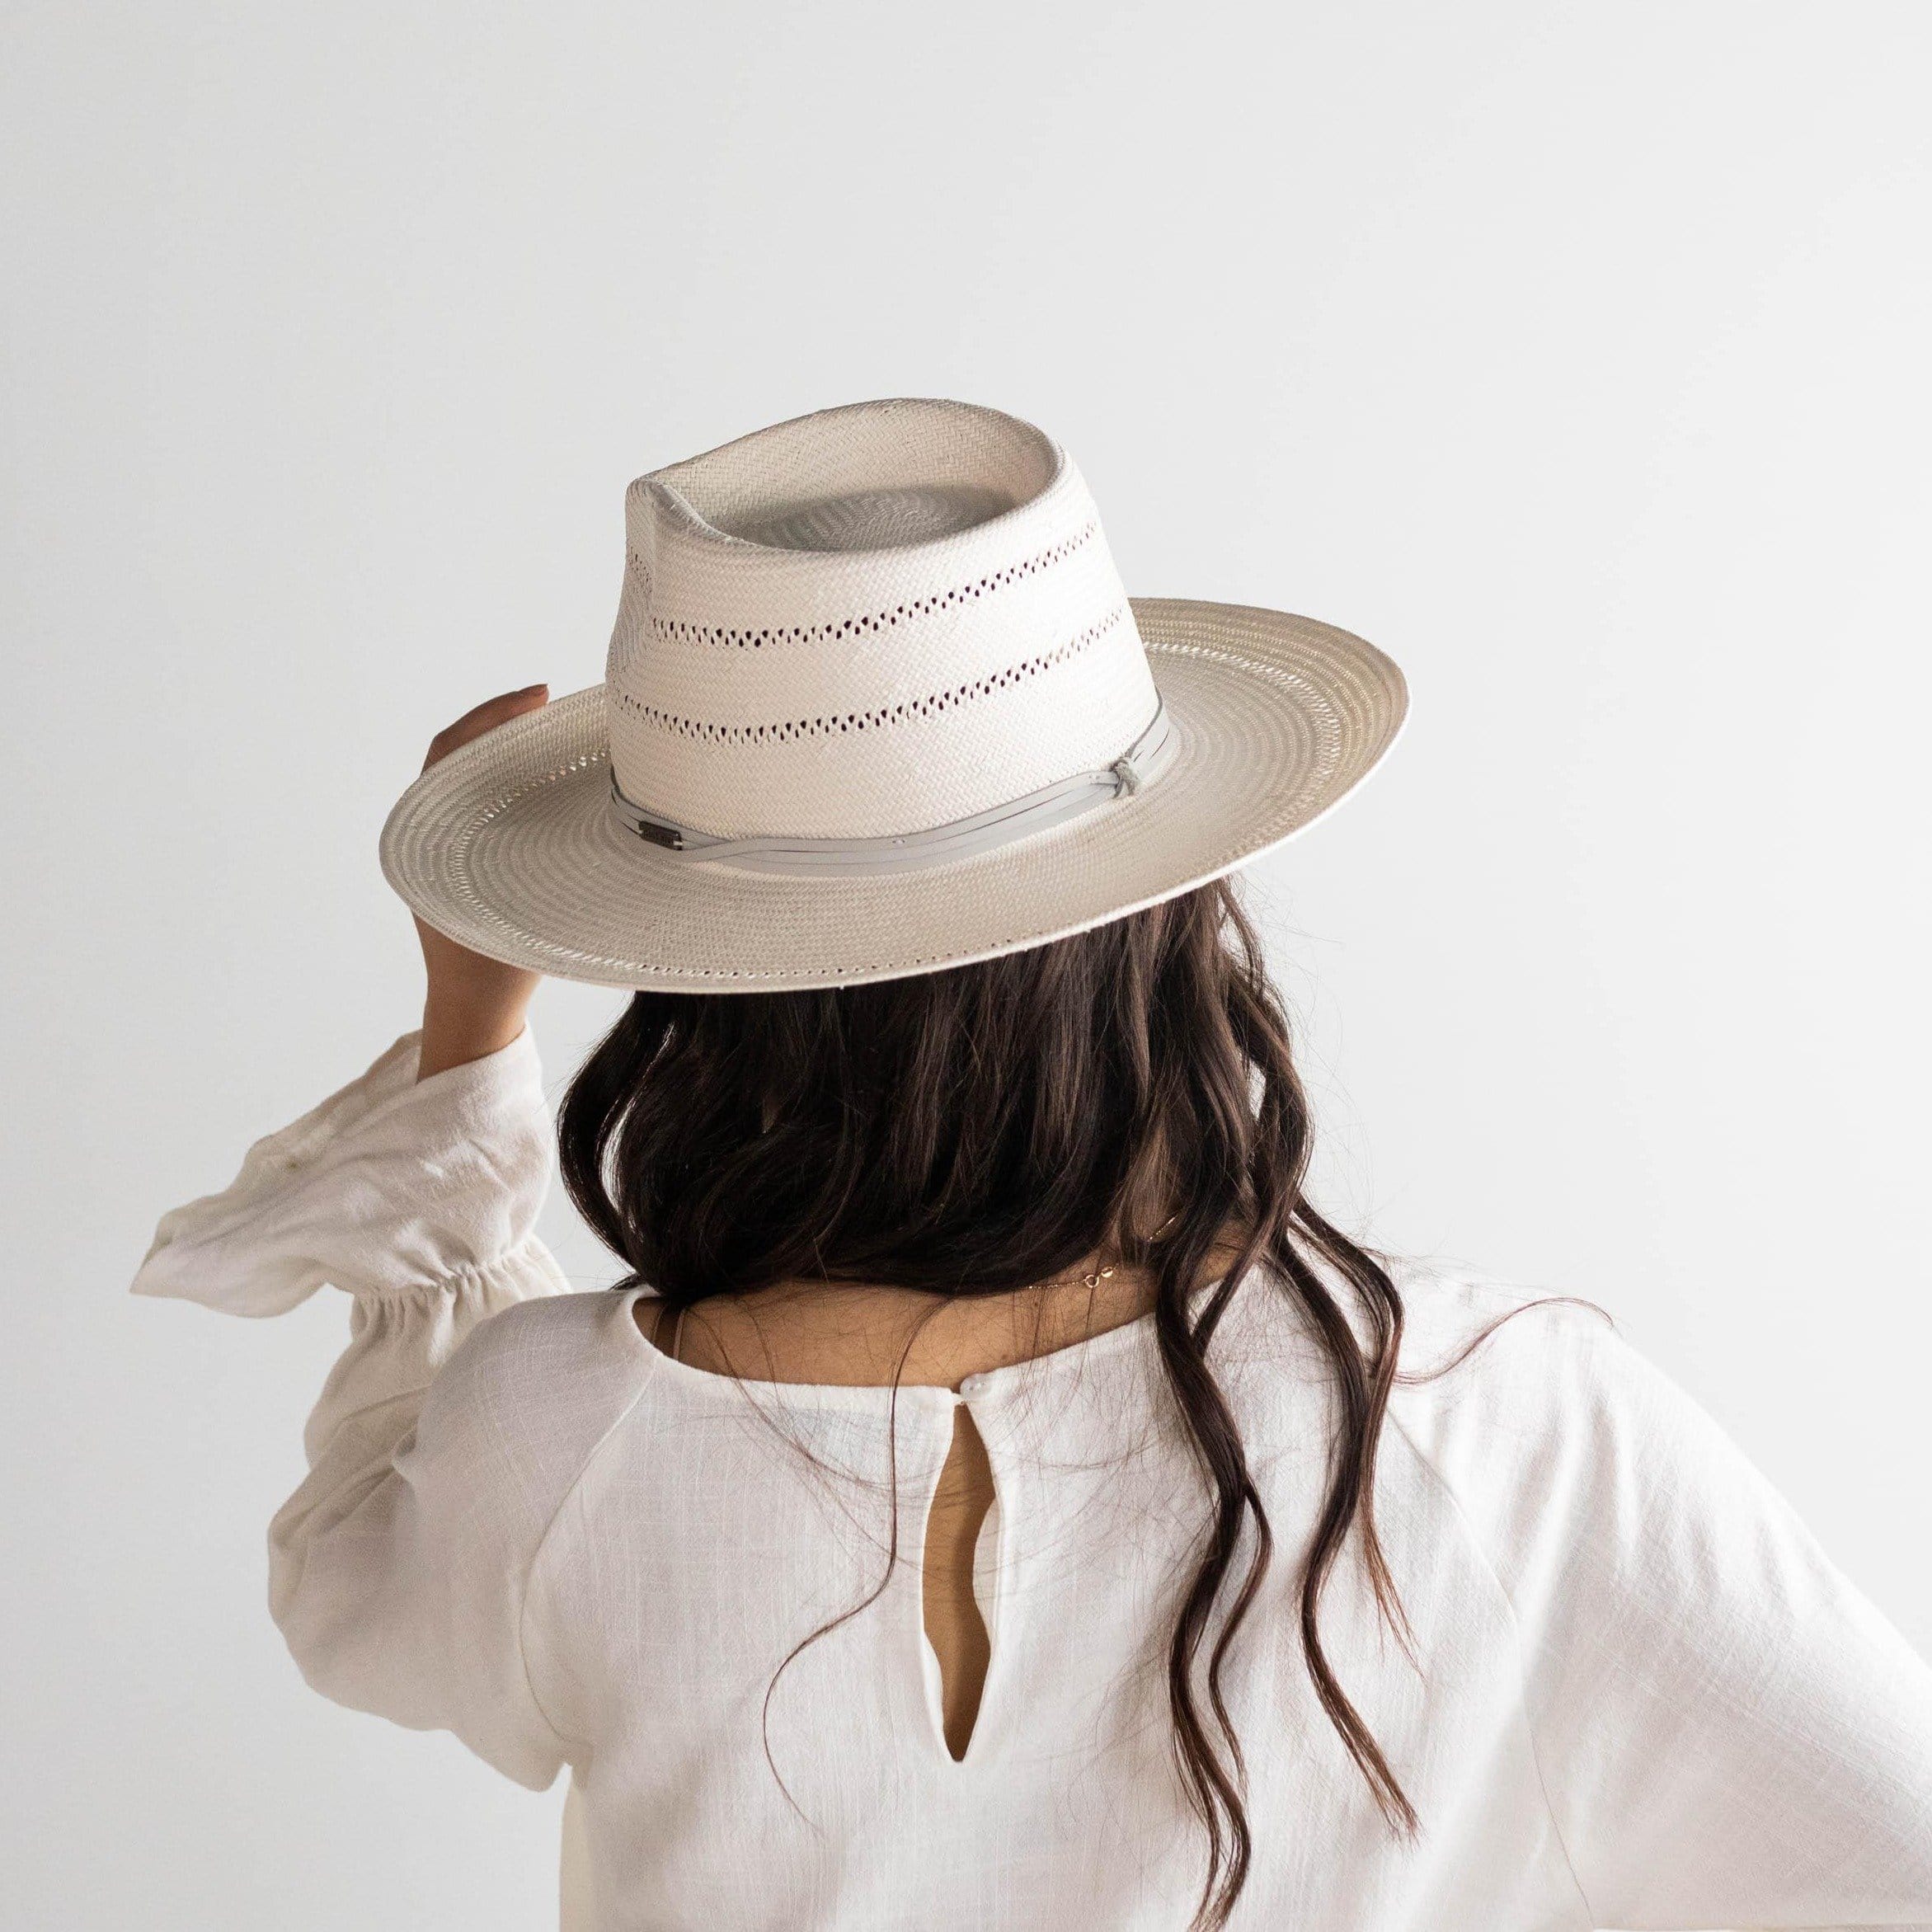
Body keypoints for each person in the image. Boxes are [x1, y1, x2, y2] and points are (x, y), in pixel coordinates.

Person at [134, 400, 1932, 1930]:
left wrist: (469, 1028)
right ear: (1172, 913)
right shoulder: (1493, 1421)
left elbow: (362, 1592)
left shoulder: (548, 1438)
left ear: (698, 975)